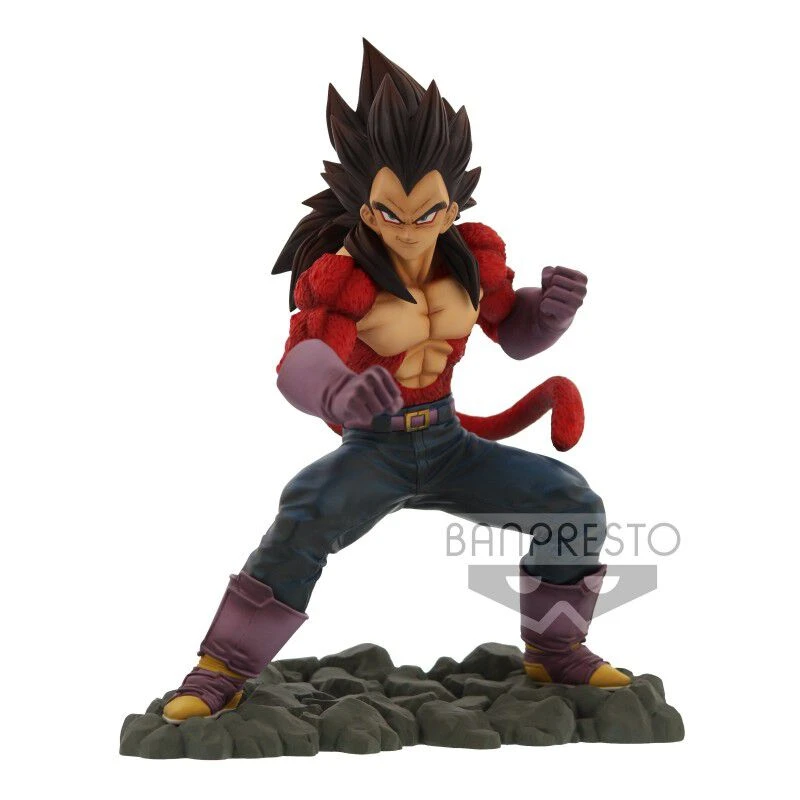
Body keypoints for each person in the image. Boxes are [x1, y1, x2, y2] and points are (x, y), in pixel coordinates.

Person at [161, 40, 629, 725]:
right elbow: (300, 359)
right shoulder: (343, 274)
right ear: (362, 206)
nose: (410, 230)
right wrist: (337, 392)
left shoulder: (472, 256)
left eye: (428, 212)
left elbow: (513, 331)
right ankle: (221, 670)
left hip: (448, 443)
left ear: (454, 203)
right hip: (375, 447)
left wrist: (550, 313)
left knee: (571, 505)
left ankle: (556, 649)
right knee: (306, 517)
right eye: (390, 213)